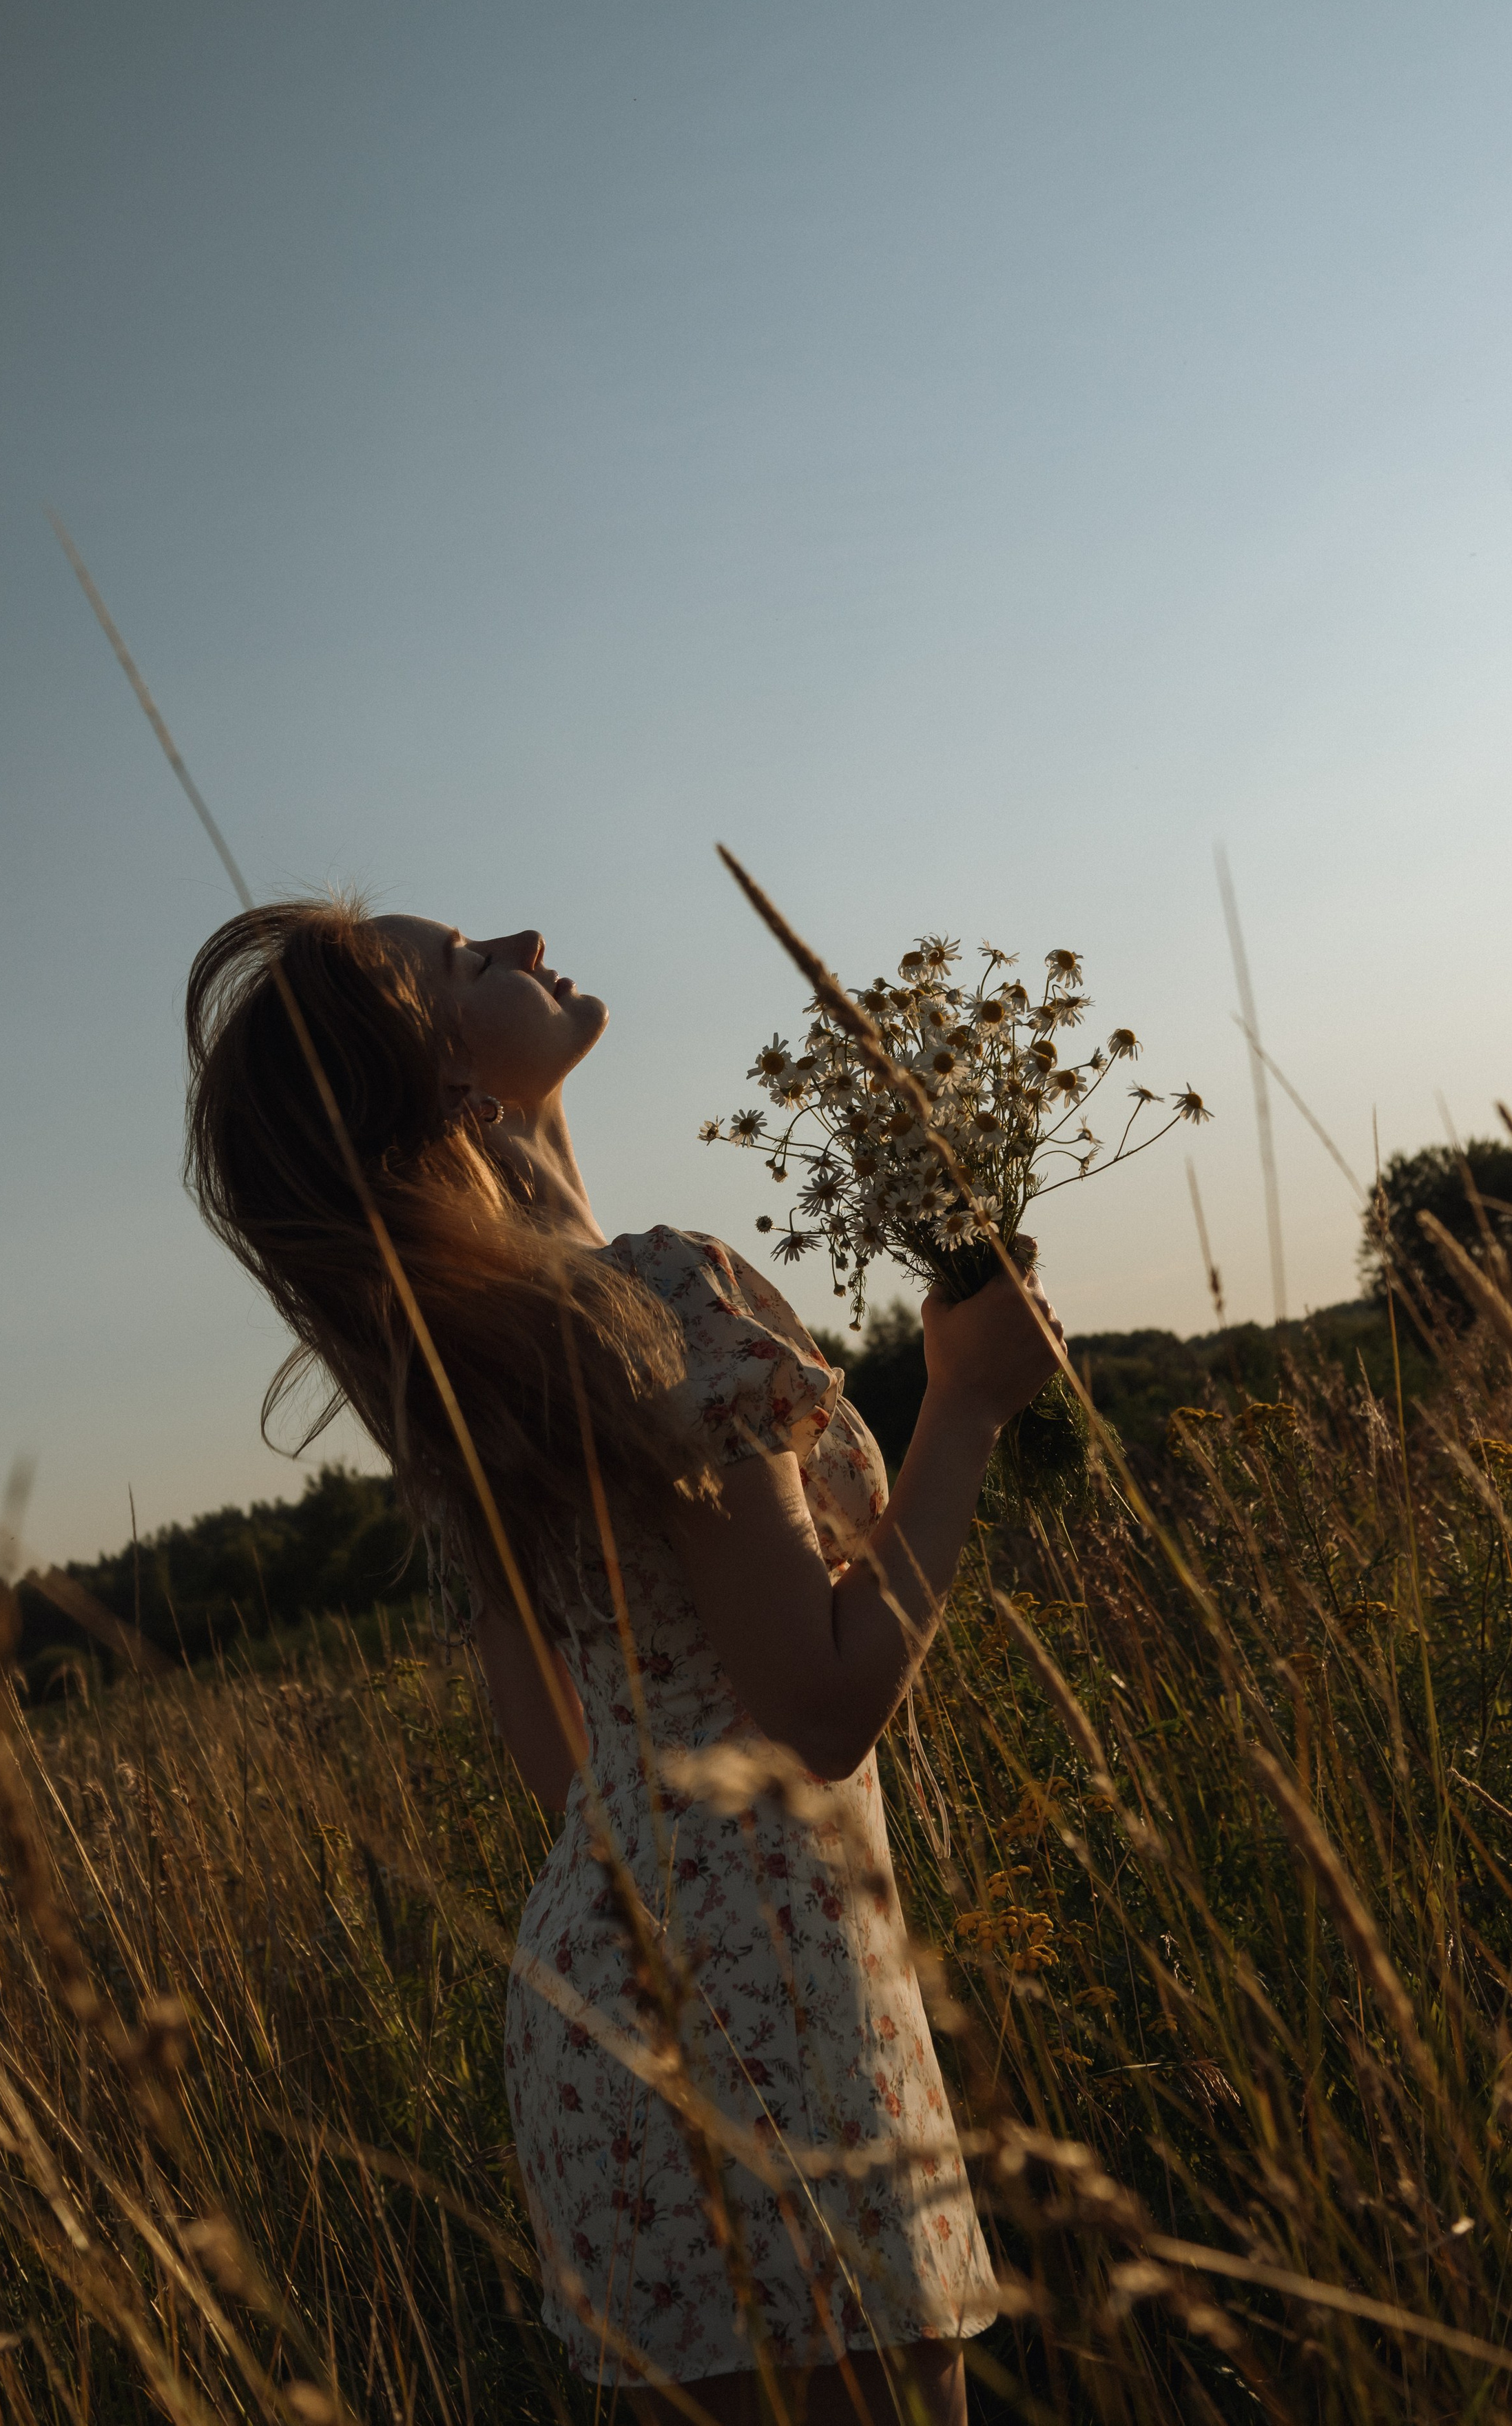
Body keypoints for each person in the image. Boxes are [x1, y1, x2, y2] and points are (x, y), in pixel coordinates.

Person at [184, 898, 1064, 2425]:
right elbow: (819, 1707)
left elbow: (570, 1770)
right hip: (773, 2008)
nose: (519, 938)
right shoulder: (652, 1299)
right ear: (453, 1087)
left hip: (605, 2038)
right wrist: (967, 1404)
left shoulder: (476, 1384)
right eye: (463, 962)